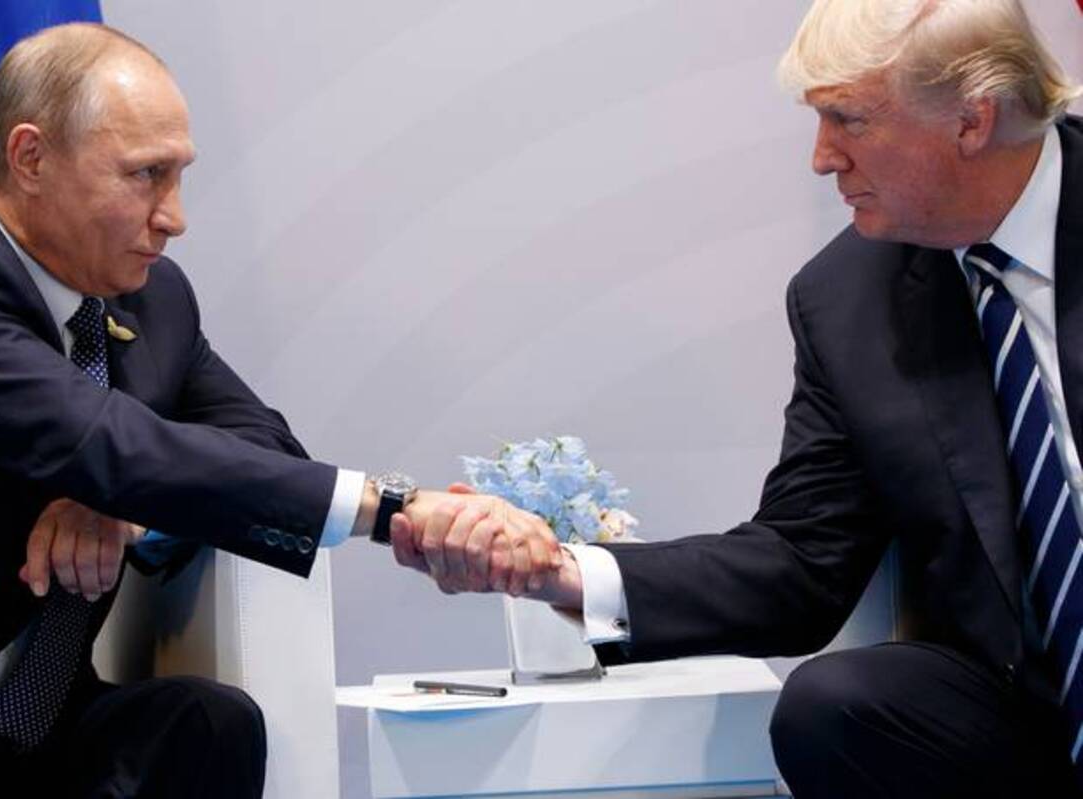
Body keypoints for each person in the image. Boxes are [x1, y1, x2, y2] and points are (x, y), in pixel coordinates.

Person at [392, 1, 1083, 796]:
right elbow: (800, 562)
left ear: (970, 119)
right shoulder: (849, 301)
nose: (821, 158)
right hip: (1035, 713)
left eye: (847, 119)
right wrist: (560, 573)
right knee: (837, 706)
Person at [0, 22, 558, 798]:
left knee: (208, 723)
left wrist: (123, 509)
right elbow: (103, 442)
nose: (174, 216)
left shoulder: (152, 297)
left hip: (42, 729)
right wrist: (393, 507)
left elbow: (264, 443)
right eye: (145, 174)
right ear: (31, 158)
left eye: (179, 176)